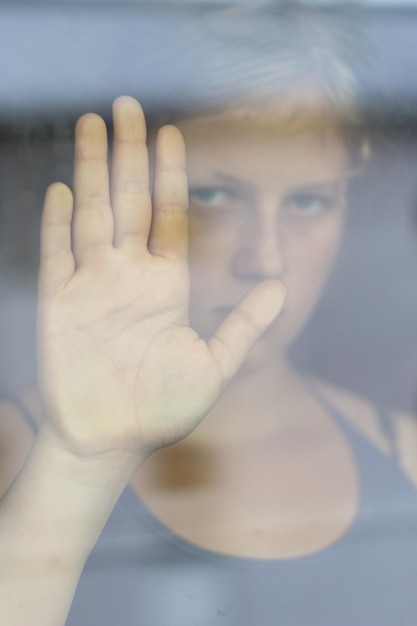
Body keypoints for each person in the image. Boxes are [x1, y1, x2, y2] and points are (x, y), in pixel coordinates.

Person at [1, 4, 417, 626]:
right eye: (213, 195)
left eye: (309, 201)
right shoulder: (17, 455)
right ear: (124, 188)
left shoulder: (407, 459)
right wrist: (80, 462)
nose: (265, 258)